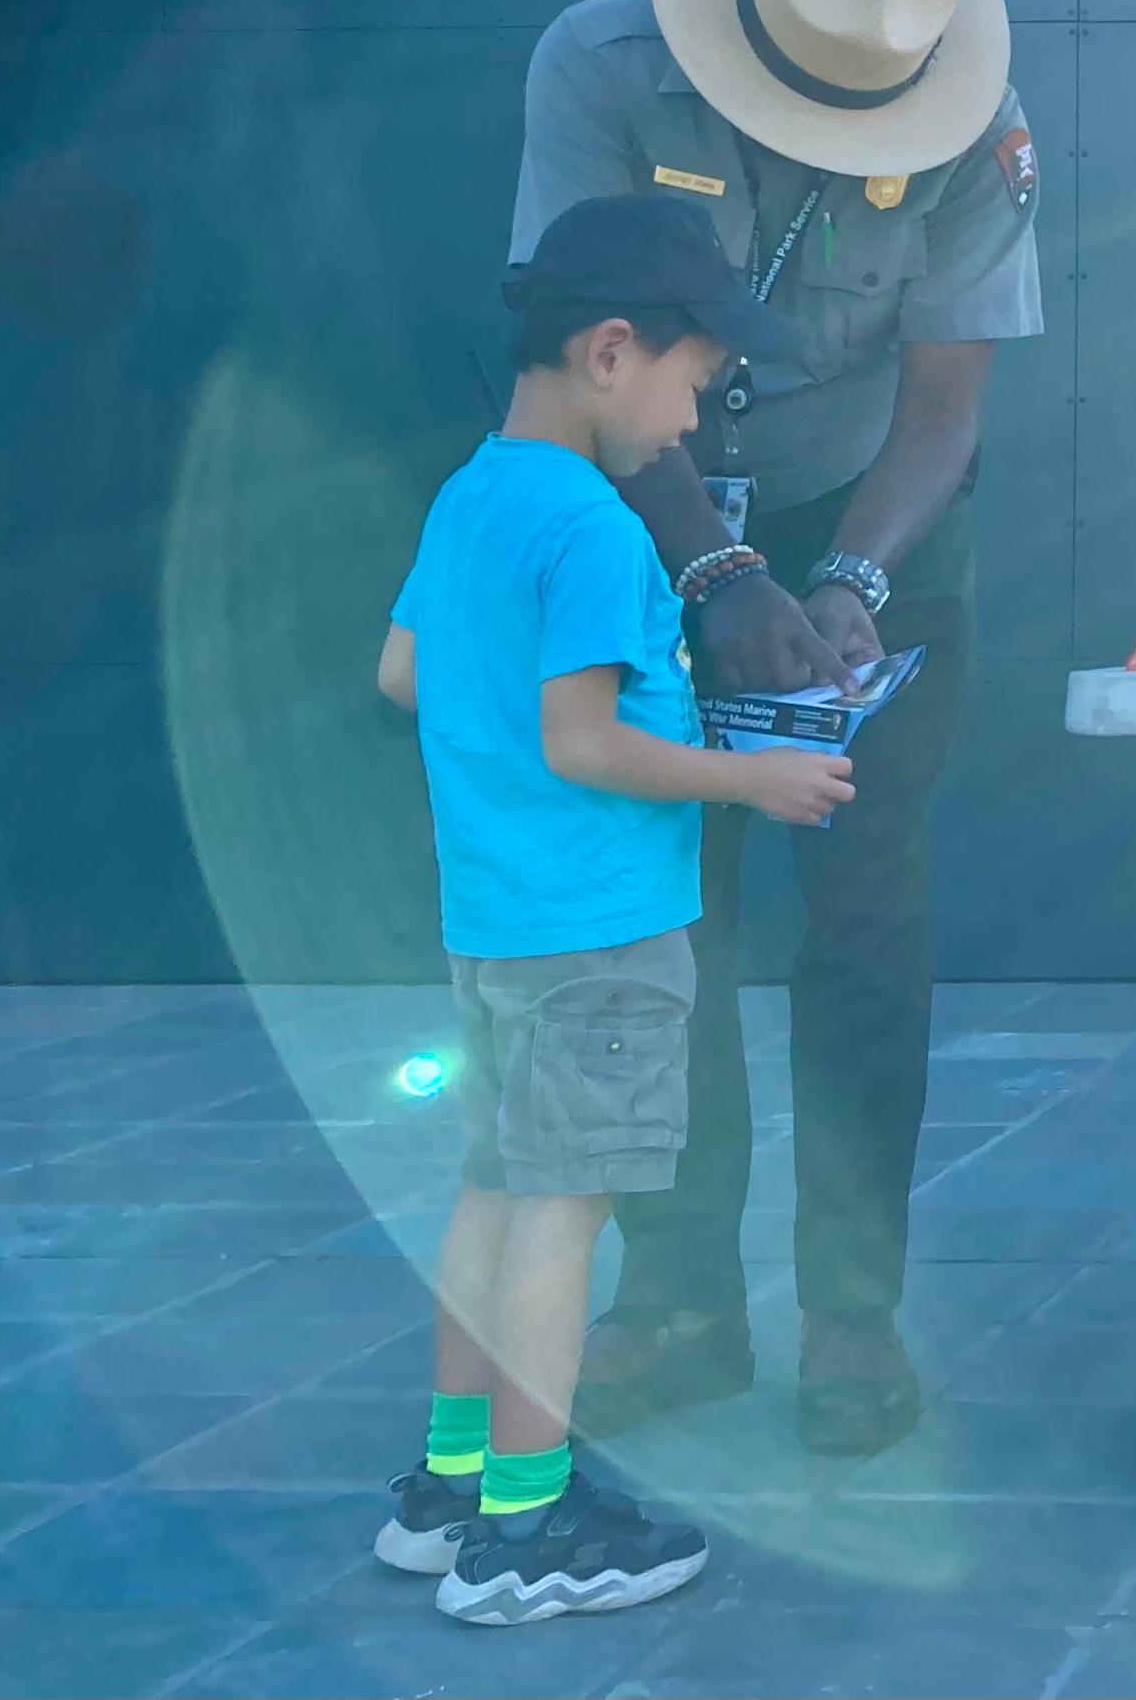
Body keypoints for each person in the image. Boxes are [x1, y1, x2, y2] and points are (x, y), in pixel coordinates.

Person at [511, 0, 1042, 1456]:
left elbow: (947, 402)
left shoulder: (970, 109)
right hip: (641, 501)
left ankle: (849, 1314)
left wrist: (851, 588)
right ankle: (678, 1304)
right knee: (666, 917)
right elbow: (586, 365)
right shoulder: (596, 66)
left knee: (867, 919)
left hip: (870, 519)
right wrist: (716, 569)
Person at [373, 194, 854, 1626]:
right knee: (564, 1216)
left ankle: (450, 1484)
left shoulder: (474, 493)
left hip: (494, 924)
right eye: (691, 386)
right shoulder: (591, 522)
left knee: (495, 1190)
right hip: (595, 931)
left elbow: (404, 678)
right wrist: (748, 775)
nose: (689, 427)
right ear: (610, 351)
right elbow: (585, 742)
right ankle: (526, 1529)